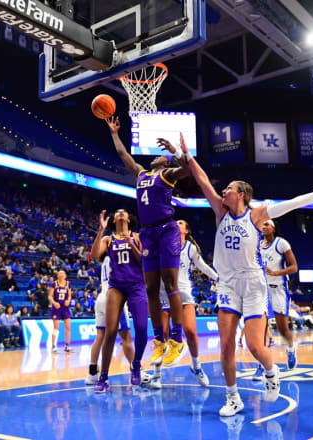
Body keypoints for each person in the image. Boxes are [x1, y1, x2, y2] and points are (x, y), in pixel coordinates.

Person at [170, 133, 313, 416]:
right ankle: (233, 398)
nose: (224, 191)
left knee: (255, 345)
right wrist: (188, 156)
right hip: (228, 284)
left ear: (241, 194)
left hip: (254, 284)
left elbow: (293, 203)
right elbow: (203, 180)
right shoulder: (220, 210)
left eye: (229, 188)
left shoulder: (257, 216)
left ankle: (271, 370)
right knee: (227, 345)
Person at [106, 116, 191, 366]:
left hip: (166, 230)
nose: (154, 156)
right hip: (147, 233)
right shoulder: (142, 174)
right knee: (151, 288)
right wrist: (113, 133)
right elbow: (124, 155)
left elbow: (187, 168)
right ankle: (160, 341)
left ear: (165, 162)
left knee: (169, 281)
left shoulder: (168, 174)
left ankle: (177, 338)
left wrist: (175, 151)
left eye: (159, 155)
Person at [147, 219, 218, 389]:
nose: (176, 224)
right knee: (162, 335)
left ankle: (196, 365)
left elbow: (203, 267)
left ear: (186, 230)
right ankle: (157, 375)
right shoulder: (162, 245)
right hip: (164, 296)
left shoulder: (190, 248)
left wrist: (218, 278)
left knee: (191, 332)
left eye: (180, 223)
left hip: (184, 296)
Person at [91, 209, 148, 391]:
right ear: (114, 219)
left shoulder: (138, 237)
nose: (122, 213)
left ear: (129, 218)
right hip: (116, 287)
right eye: (118, 212)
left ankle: (136, 365)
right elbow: (94, 255)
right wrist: (101, 230)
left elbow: (145, 262)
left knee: (141, 328)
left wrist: (131, 243)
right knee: (110, 331)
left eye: (124, 212)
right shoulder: (108, 239)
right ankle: (103, 378)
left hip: (137, 285)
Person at [254, 219, 299, 380]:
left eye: (266, 224)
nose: (263, 227)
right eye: (262, 225)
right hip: (261, 290)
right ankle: (262, 367)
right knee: (261, 329)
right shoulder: (257, 245)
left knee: (283, 330)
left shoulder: (281, 243)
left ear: (273, 228)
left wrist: (275, 273)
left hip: (278, 288)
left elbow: (294, 267)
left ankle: (291, 348)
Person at [85, 254, 134, 386]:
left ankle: (92, 373)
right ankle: (136, 372)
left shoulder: (106, 259)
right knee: (126, 338)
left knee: (99, 336)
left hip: (101, 298)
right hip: (114, 298)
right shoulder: (119, 258)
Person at [49, 270, 72, 353]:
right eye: (60, 273)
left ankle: (67, 345)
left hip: (65, 307)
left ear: (65, 276)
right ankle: (53, 346)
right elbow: (49, 296)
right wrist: (54, 303)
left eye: (63, 273)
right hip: (57, 307)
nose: (62, 275)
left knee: (68, 327)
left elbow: (69, 296)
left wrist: (68, 301)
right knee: (56, 327)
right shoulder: (54, 284)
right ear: (58, 275)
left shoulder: (68, 284)